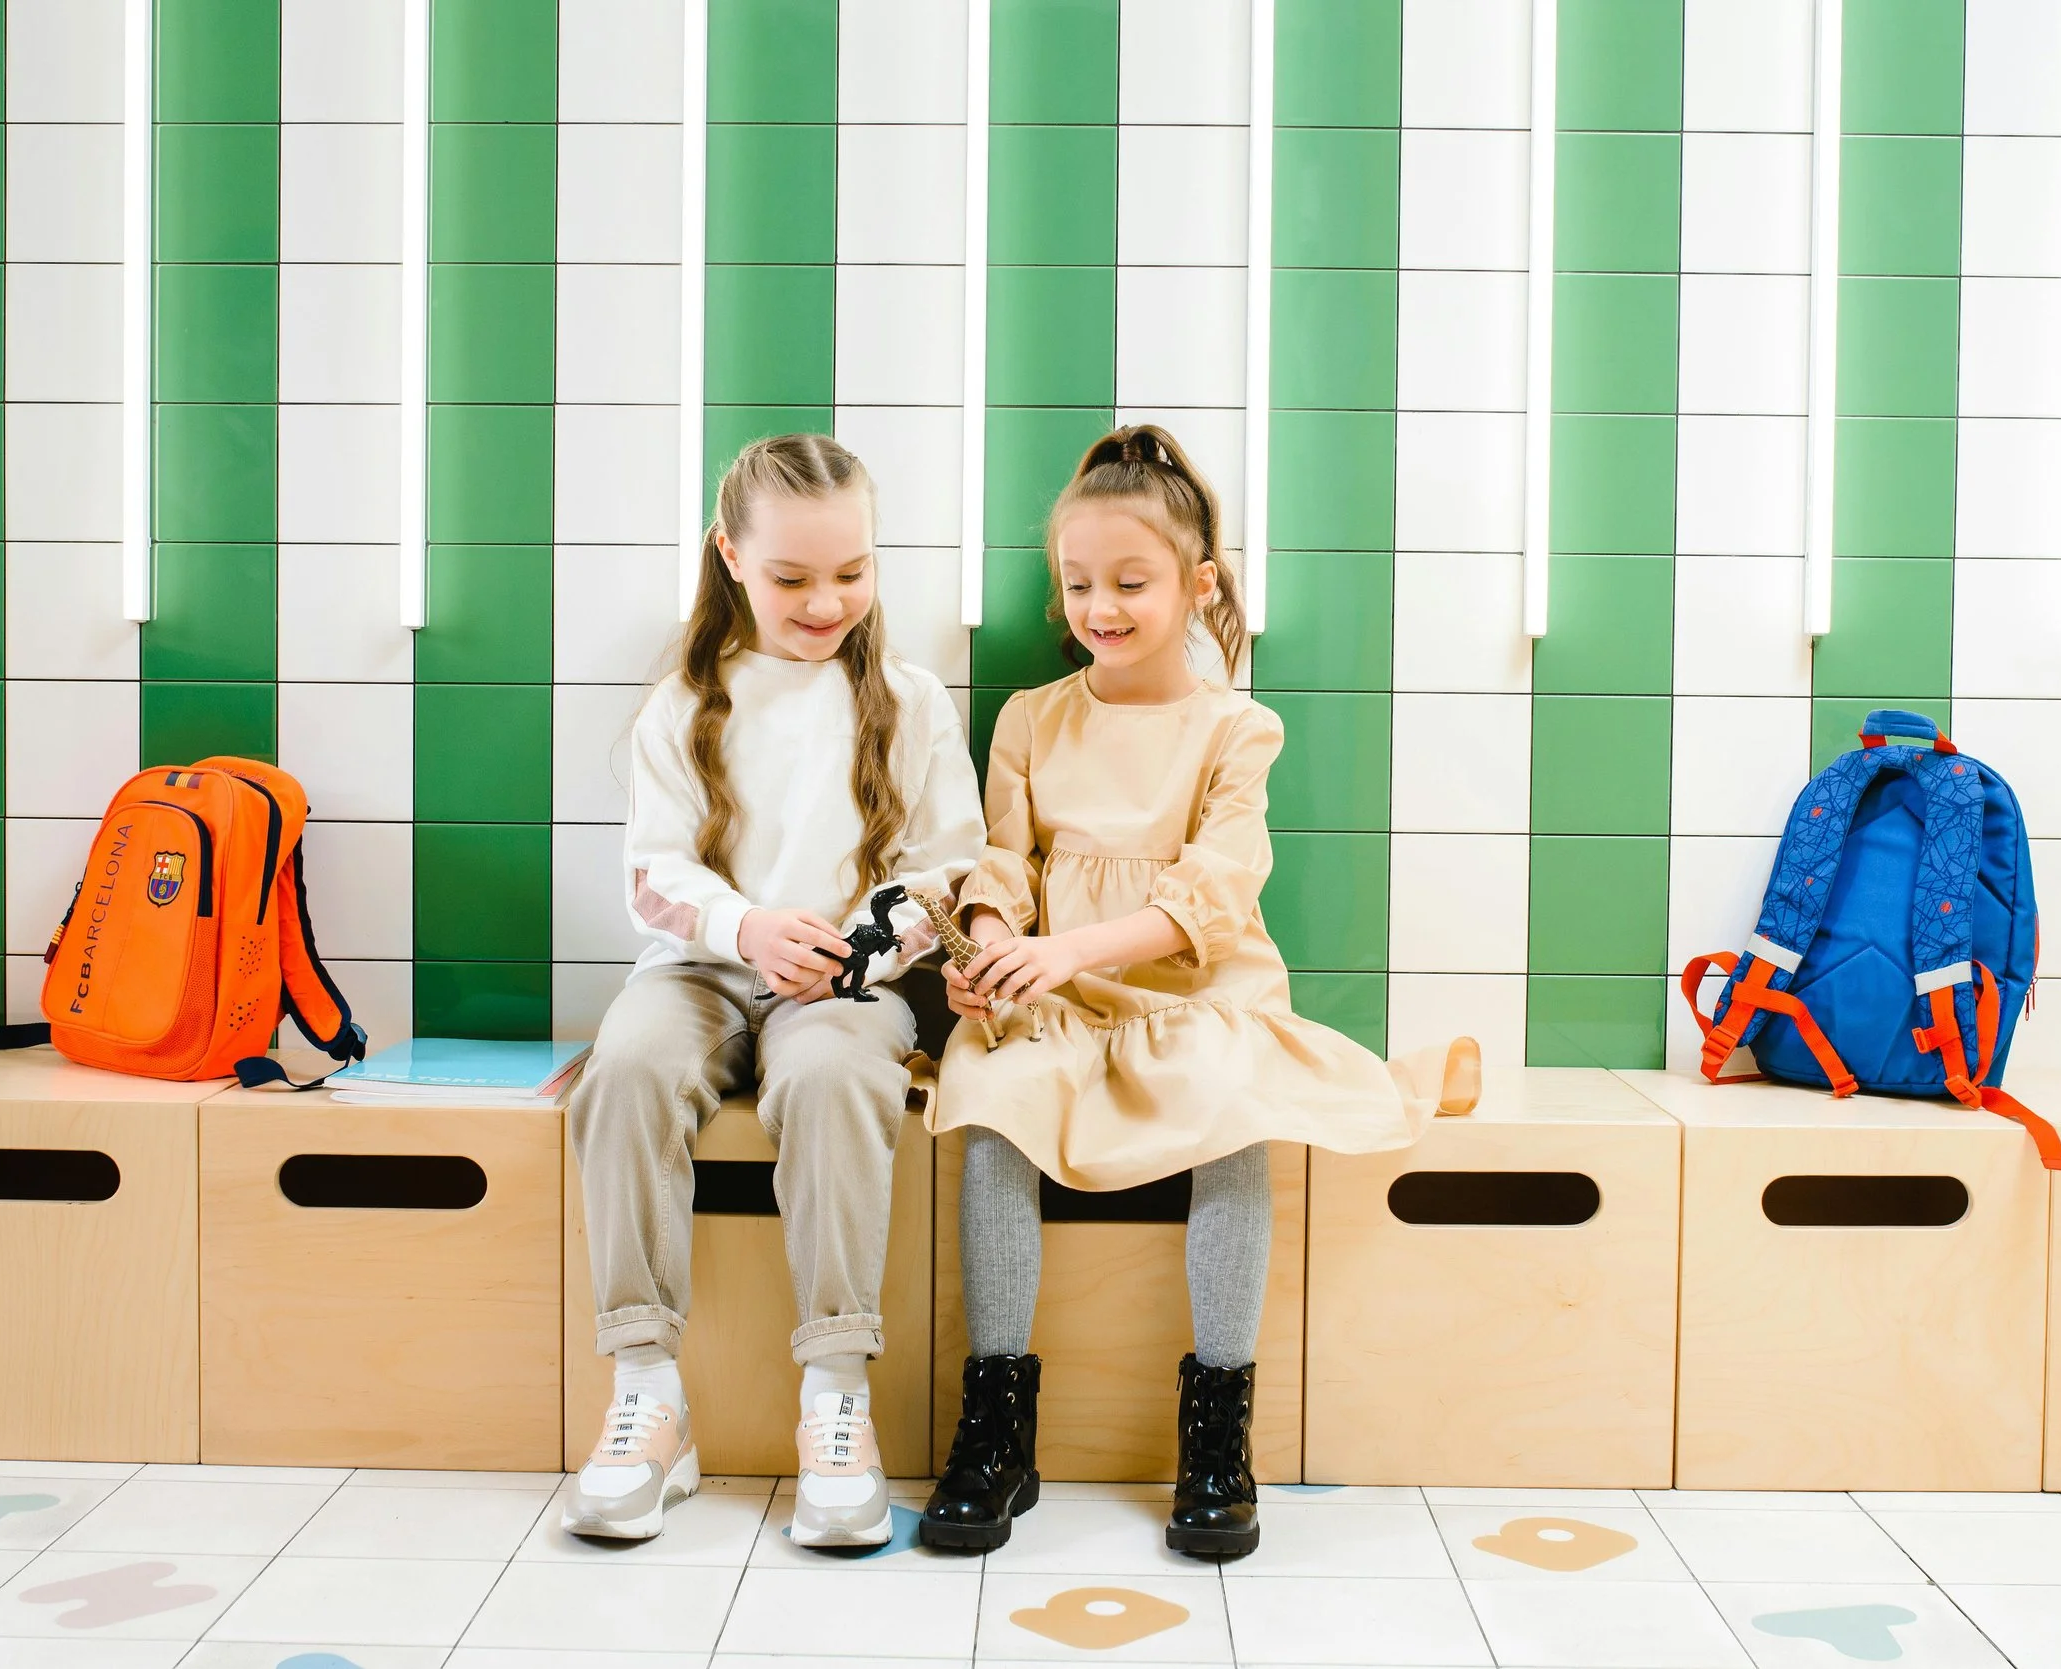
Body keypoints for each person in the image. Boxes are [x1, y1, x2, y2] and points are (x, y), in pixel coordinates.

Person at [918, 425, 1433, 1561]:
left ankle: (1217, 1429)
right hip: (1057, 1000)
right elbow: (1001, 863)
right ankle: (998, 1422)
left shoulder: (1236, 727)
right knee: (993, 1100)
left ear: (1199, 584)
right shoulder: (1029, 719)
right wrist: (997, 945)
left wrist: (1069, 950)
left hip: (1198, 994)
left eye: (1131, 582)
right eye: (1078, 583)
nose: (1099, 606)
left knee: (1225, 1104)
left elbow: (1213, 895)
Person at [562, 434, 983, 1547]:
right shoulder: (682, 703)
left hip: (847, 984)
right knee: (628, 1071)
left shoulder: (912, 698)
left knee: (839, 1077)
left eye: (851, 572)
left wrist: (854, 948)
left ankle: (835, 1394)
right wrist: (743, 922)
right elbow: (653, 876)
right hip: (699, 971)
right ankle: (648, 1396)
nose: (825, 599)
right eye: (793, 577)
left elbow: (949, 862)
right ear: (730, 558)